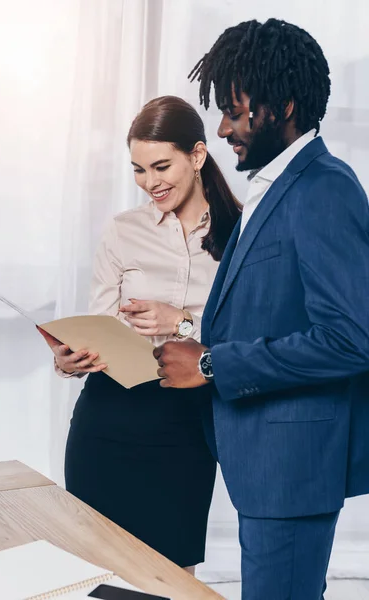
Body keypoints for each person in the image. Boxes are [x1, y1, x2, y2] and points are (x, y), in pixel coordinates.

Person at [153, 19, 369, 599]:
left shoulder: (324, 188)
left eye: (233, 110)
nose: (222, 128)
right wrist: (184, 331)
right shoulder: (272, 186)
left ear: (285, 105)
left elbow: (351, 338)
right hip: (265, 464)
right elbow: (270, 312)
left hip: (292, 469)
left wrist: (211, 365)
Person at [39, 95, 241, 571]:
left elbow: (247, 341)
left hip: (185, 425)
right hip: (106, 419)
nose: (150, 183)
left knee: (170, 576)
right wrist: (70, 360)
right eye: (138, 169)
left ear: (196, 156)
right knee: (99, 573)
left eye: (161, 166)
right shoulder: (122, 231)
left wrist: (182, 323)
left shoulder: (241, 232)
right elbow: (101, 324)